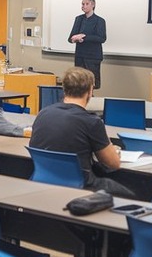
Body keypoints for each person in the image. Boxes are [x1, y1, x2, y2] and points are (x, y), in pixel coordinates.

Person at [29, 67, 132, 197]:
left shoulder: (43, 114)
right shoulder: (92, 122)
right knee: (132, 196)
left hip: (42, 181)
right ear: (90, 91)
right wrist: (114, 151)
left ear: (64, 89)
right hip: (80, 186)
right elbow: (113, 164)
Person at [68, 0, 106, 89]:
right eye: (82, 4)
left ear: (93, 5)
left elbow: (102, 38)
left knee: (91, 83)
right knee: (79, 83)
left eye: (86, 4)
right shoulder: (79, 19)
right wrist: (75, 39)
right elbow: (71, 37)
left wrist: (84, 36)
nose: (84, 6)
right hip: (80, 56)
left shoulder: (99, 20)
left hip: (92, 57)